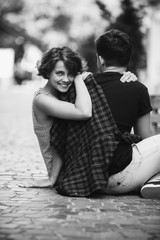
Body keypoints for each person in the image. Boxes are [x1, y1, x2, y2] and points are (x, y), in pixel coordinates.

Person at [20, 46, 136, 188]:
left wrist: (126, 76)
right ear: (47, 72)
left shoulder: (66, 94)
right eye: (60, 73)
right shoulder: (42, 100)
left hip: (80, 165)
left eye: (71, 74)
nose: (66, 79)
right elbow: (84, 112)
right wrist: (79, 78)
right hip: (68, 173)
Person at [94, 29, 160, 199]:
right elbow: (144, 136)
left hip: (86, 178)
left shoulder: (83, 85)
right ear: (128, 59)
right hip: (120, 178)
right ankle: (155, 179)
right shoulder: (138, 89)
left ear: (100, 59)